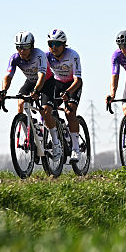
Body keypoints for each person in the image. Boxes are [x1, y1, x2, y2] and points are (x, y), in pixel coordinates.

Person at [0, 31, 61, 157]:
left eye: (24, 47)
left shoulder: (39, 55)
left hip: (46, 81)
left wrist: (37, 91)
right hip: (31, 81)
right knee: (20, 102)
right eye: (18, 47)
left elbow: (42, 75)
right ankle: (29, 136)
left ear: (31, 46)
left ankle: (56, 143)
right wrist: (4, 90)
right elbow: (8, 76)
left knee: (46, 111)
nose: (21, 50)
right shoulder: (15, 58)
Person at [46, 30, 85, 161]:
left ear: (64, 44)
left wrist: (68, 92)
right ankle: (59, 132)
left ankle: (75, 148)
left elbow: (78, 80)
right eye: (51, 44)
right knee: (47, 109)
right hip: (57, 83)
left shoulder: (73, 55)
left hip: (72, 84)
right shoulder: (46, 56)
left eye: (57, 44)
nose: (54, 47)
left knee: (70, 112)